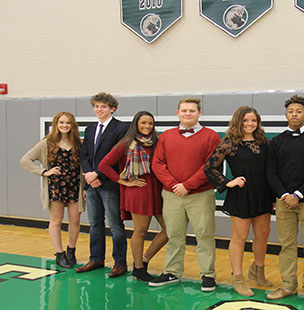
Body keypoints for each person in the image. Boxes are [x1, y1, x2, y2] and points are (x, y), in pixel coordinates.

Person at [150, 97, 220, 292]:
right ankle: (172, 271)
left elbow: (210, 165)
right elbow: (157, 164)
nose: (188, 113)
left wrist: (188, 186)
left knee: (204, 235)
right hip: (172, 195)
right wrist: (174, 185)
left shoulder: (211, 136)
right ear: (177, 113)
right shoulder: (166, 136)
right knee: (174, 235)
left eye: (192, 110)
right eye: (184, 110)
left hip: (201, 195)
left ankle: (208, 275)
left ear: (199, 113)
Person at [204, 106, 274, 297]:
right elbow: (210, 167)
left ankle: (258, 270)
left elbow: (271, 170)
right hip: (241, 194)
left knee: (262, 234)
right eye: (245, 120)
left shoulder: (265, 143)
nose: (250, 124)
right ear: (238, 122)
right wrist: (228, 182)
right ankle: (238, 277)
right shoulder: (229, 143)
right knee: (240, 237)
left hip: (263, 194)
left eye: (253, 120)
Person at [266, 95, 304, 306]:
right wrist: (285, 195)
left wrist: (298, 195)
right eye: (291, 111)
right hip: (284, 203)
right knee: (287, 246)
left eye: (299, 111)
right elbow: (271, 172)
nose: (294, 114)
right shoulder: (277, 141)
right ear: (286, 114)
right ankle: (288, 286)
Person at [98, 111, 169, 282]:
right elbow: (104, 165)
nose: (147, 126)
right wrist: (123, 182)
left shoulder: (156, 143)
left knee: (170, 230)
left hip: (157, 190)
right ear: (136, 124)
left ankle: (144, 260)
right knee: (141, 230)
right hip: (138, 191)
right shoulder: (126, 143)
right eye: (143, 123)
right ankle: (138, 268)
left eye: (150, 123)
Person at [21, 112, 85, 268]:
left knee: (75, 220)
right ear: (56, 124)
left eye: (68, 123)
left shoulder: (79, 143)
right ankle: (59, 253)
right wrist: (44, 172)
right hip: (56, 187)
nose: (64, 125)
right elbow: (25, 160)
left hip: (75, 186)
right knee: (56, 221)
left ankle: (71, 251)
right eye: (61, 122)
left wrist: (85, 187)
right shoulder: (47, 143)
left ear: (73, 125)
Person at [76, 92, 129, 278]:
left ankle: (120, 263)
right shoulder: (90, 129)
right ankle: (96, 259)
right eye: (96, 106)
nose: (99, 110)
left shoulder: (122, 128)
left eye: (103, 107)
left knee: (115, 225)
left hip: (110, 185)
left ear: (112, 108)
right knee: (95, 224)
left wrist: (97, 174)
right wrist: (89, 177)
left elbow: (118, 157)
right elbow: (84, 155)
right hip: (91, 185)